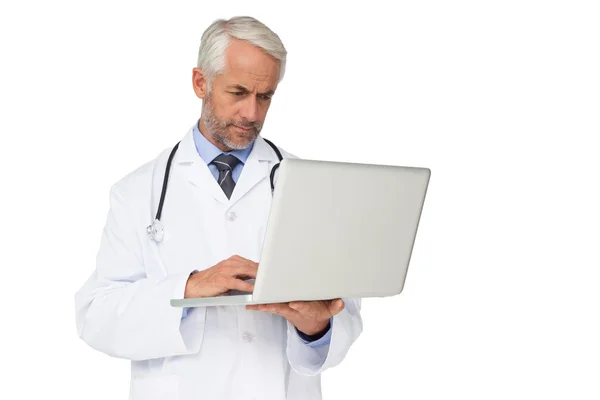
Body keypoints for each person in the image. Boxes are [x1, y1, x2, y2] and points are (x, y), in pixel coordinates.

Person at [74, 16, 363, 400]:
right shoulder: (138, 191)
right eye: (239, 92)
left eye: (265, 96)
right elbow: (95, 315)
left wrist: (317, 328)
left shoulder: (310, 185)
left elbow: (346, 309)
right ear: (201, 83)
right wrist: (188, 287)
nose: (252, 114)